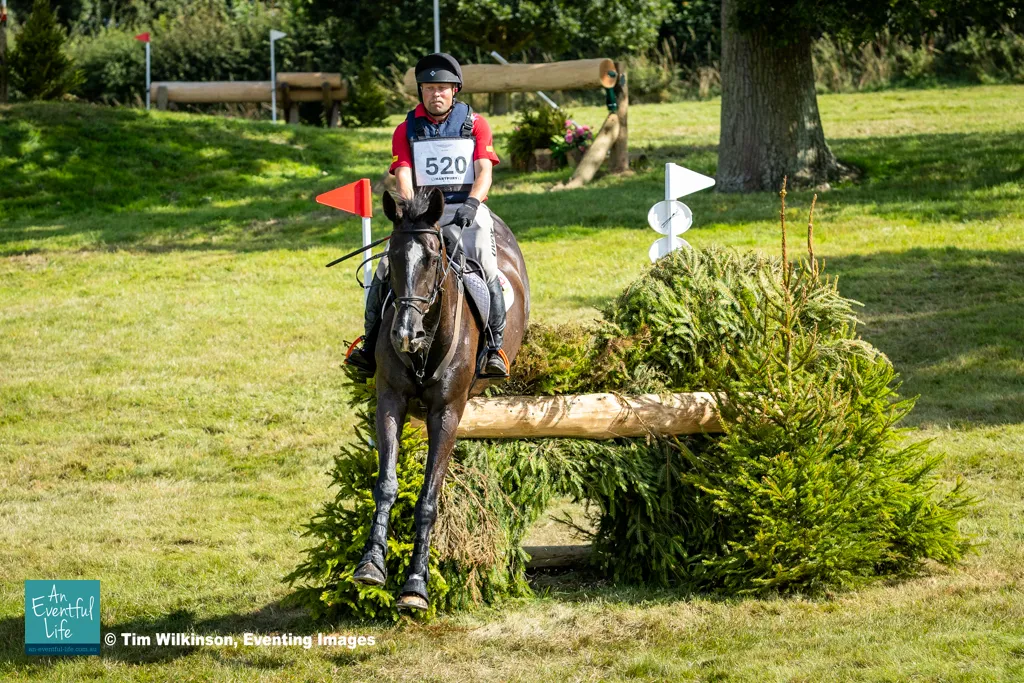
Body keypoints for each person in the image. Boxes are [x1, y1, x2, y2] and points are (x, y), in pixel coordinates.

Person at [346, 53, 509, 378]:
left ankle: (493, 348)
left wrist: (473, 204)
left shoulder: (475, 124)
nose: (436, 94)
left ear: (454, 91)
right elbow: (403, 176)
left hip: (466, 207)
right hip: (422, 212)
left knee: (487, 267)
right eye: (429, 88)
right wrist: (411, 211)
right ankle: (369, 345)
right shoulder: (406, 129)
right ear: (421, 92)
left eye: (443, 88)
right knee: (384, 268)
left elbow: (484, 172)